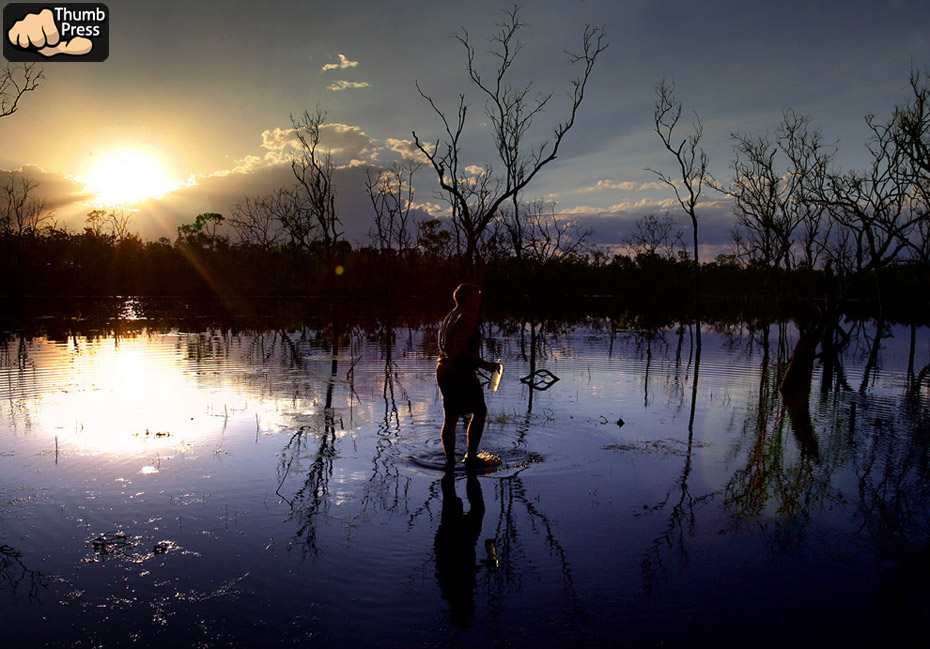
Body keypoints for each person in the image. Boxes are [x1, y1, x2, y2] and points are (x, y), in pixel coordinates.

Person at [437, 283, 502, 469]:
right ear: (467, 298)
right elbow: (459, 351)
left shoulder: (451, 316)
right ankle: (471, 457)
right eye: (476, 296)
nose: (479, 299)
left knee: (450, 416)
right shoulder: (465, 318)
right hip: (458, 372)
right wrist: (485, 365)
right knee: (480, 411)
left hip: (444, 369)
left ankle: (450, 461)